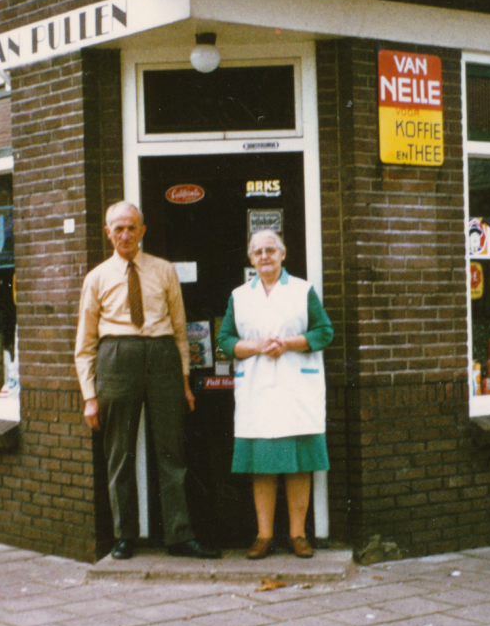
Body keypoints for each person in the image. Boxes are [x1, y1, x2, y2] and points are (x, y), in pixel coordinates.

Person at [75, 201, 220, 561]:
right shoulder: (96, 278)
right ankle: (125, 535)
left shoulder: (164, 270)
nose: (125, 235)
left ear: (143, 230)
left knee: (172, 450)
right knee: (119, 452)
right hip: (117, 358)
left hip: (162, 356)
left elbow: (180, 329)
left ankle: (180, 535)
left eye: (132, 228)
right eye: (118, 228)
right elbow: (85, 343)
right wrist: (89, 396)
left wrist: (184, 380)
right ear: (108, 232)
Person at [216, 230, 333, 559]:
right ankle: (264, 535)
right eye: (258, 251)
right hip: (258, 389)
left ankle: (298, 535)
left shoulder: (302, 290)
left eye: (271, 250)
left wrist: (289, 343)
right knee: (263, 467)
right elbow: (225, 341)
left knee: (299, 466)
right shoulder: (239, 296)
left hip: (298, 389)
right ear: (251, 259)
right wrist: (254, 347)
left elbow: (325, 332)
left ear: (283, 254)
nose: (265, 256)